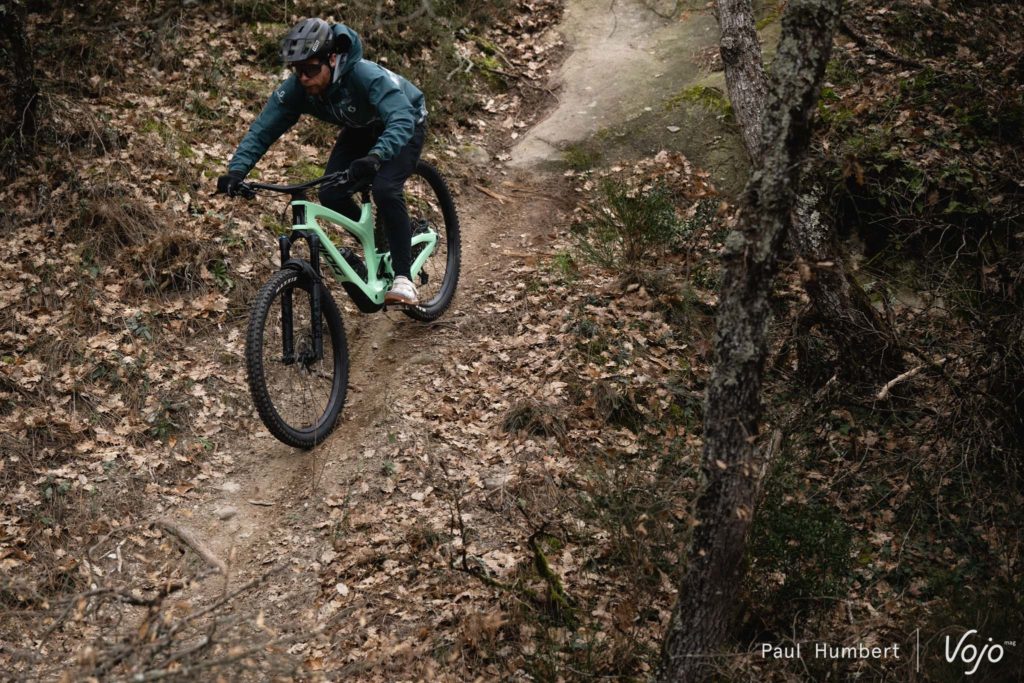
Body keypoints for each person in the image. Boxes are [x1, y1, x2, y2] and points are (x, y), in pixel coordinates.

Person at [217, 18, 427, 305]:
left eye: (311, 69)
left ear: (333, 59)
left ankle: (403, 278)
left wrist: (377, 155)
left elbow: (401, 117)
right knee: (330, 193)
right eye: (298, 70)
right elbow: (263, 129)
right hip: (360, 127)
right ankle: (377, 240)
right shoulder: (298, 88)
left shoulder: (364, 75)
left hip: (406, 120)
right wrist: (237, 170)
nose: (303, 77)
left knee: (385, 188)